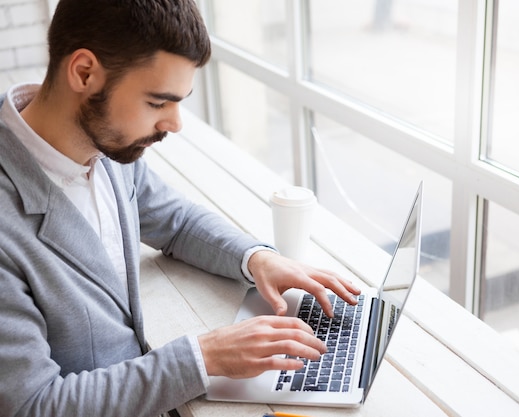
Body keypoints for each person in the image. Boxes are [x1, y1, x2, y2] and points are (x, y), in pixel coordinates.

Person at [0, 1, 361, 416]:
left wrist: (257, 259)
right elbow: (33, 405)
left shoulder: (104, 145)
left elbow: (176, 221)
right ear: (84, 73)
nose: (175, 124)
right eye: (158, 103)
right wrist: (203, 358)